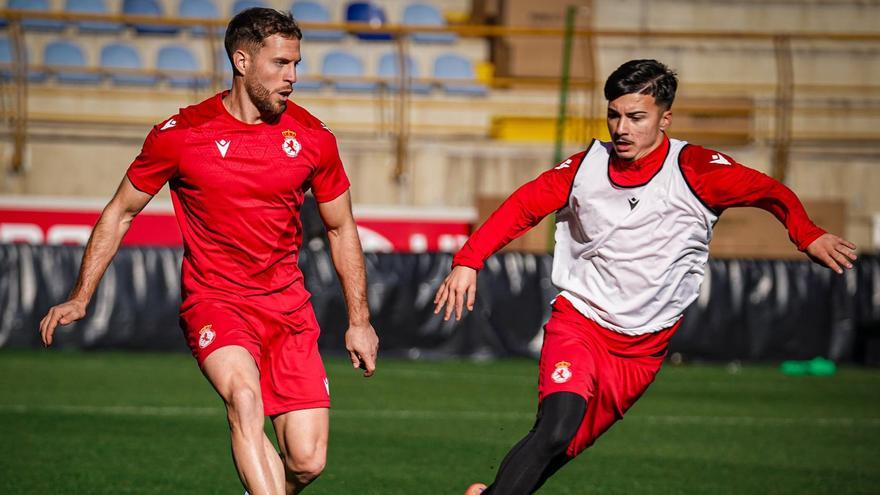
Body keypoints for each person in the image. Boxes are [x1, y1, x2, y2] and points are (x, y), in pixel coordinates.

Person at [434, 59, 857, 495]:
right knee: (556, 428)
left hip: (642, 349)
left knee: (565, 446)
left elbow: (770, 191)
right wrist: (469, 260)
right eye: (614, 115)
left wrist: (806, 233)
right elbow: (524, 205)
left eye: (636, 117)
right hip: (580, 322)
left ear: (664, 118)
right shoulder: (585, 168)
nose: (621, 129)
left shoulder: (697, 170)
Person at [38, 8, 379, 495]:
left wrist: (359, 321)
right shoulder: (181, 134)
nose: (293, 77)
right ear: (242, 61)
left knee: (306, 461)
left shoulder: (314, 138)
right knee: (244, 398)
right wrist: (80, 295)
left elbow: (341, 228)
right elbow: (120, 212)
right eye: (281, 64)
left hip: (288, 309)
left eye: (296, 64)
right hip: (215, 301)